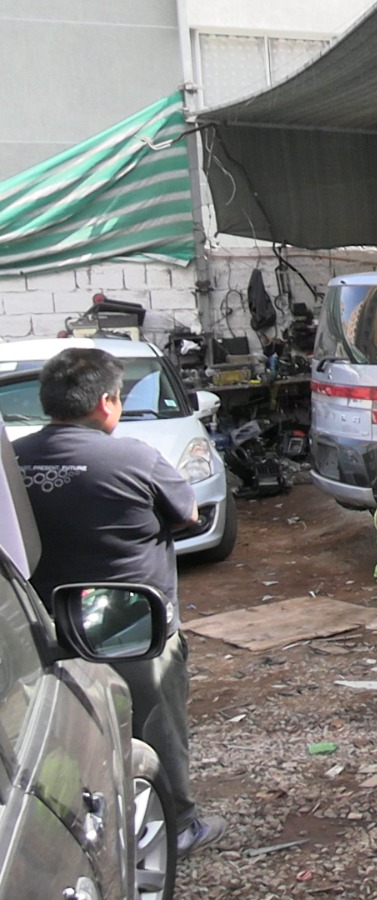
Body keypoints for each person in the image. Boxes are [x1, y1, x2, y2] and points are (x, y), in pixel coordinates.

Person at [14, 347, 228, 855]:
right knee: (155, 722)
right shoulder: (134, 457)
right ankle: (177, 825)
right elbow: (188, 514)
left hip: (40, 623)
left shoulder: (14, 461)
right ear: (106, 402)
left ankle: (68, 832)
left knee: (57, 728)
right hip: (130, 621)